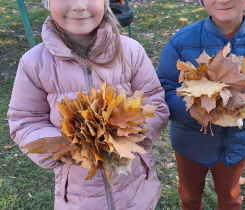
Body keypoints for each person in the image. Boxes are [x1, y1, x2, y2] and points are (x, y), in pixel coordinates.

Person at [7, 0, 169, 209]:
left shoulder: (131, 51)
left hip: (135, 189)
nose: (79, 6)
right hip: (78, 196)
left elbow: (154, 102)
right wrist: (70, 148)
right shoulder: (34, 63)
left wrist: (126, 137)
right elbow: (25, 121)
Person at [156, 0, 245, 209]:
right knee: (190, 197)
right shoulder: (181, 43)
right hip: (190, 145)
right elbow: (162, 94)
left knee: (230, 197)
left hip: (236, 147)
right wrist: (202, 103)